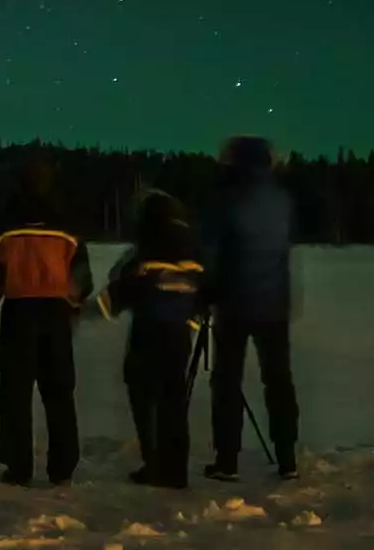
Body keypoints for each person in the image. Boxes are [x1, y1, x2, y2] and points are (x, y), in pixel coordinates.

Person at [0, 158, 92, 487]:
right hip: (55, 313)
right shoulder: (67, 223)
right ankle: (63, 466)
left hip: (18, 312)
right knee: (59, 391)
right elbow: (82, 277)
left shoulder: (5, 223)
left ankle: (18, 465)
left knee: (15, 392)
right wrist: (72, 302)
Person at [199, 135, 300, 482]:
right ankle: (288, 458)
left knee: (227, 381)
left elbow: (210, 250)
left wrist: (205, 292)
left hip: (234, 302)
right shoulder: (281, 198)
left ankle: (227, 459)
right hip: (274, 303)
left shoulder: (225, 198)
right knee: (279, 381)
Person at [95, 188, 207, 489]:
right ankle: (176, 469)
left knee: (145, 398)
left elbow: (115, 295)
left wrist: (85, 311)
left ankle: (155, 463)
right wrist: (194, 320)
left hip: (148, 334)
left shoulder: (143, 255)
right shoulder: (194, 256)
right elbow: (206, 296)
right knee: (173, 400)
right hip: (179, 337)